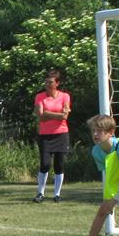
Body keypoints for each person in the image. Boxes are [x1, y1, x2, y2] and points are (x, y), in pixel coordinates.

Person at [33, 69, 71, 203]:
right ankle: (40, 193)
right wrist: (56, 115)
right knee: (45, 164)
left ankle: (57, 194)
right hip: (45, 135)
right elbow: (41, 117)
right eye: (46, 82)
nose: (48, 85)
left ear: (57, 83)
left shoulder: (65, 96)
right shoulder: (39, 97)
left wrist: (48, 113)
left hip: (61, 133)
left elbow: (65, 116)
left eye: (51, 82)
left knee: (59, 165)